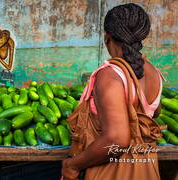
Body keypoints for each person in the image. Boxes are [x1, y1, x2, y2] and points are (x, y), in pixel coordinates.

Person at [62, 3, 164, 180]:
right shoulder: (153, 72)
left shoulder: (110, 76)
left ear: (107, 37)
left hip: (110, 170)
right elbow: (154, 112)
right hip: (145, 167)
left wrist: (73, 165)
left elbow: (117, 138)